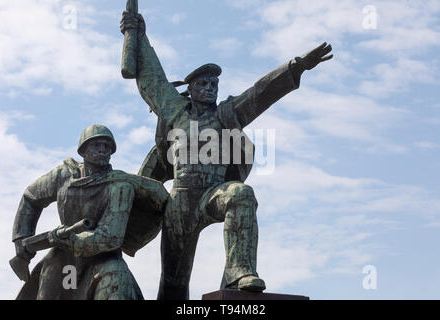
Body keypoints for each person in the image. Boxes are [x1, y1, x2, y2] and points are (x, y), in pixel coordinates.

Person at [120, 11, 333, 300]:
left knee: (241, 194)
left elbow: (260, 93)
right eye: (203, 85)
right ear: (191, 89)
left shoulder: (225, 114)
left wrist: (295, 67)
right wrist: (138, 34)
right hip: (179, 203)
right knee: (173, 285)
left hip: (213, 193)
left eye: (213, 85)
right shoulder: (175, 112)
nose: (209, 89)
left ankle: (240, 271)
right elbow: (152, 78)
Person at [12, 124, 169, 300]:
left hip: (104, 262)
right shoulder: (63, 175)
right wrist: (21, 240)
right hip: (66, 261)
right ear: (83, 150)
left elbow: (111, 237)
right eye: (96, 145)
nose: (102, 150)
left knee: (117, 286)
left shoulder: (120, 186)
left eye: (107, 147)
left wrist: (74, 240)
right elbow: (30, 198)